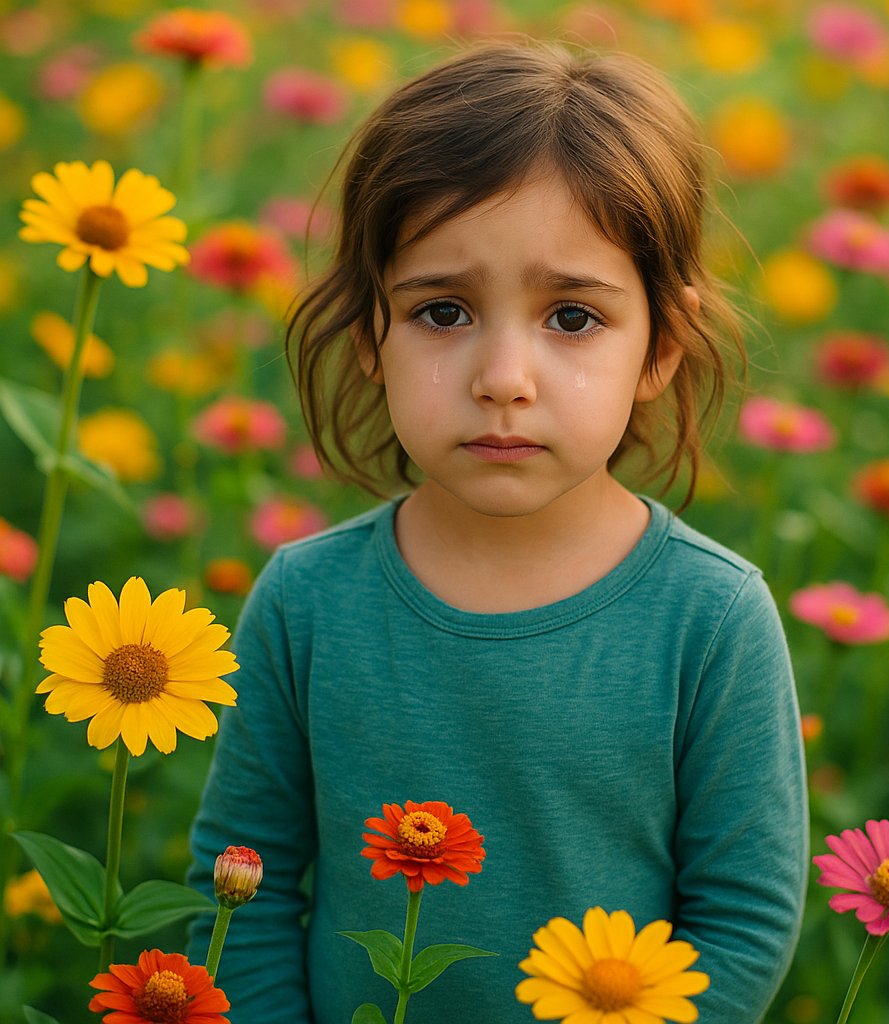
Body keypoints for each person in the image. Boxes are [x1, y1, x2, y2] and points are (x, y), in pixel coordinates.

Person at [188, 41, 807, 1024]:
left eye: (570, 315)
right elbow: (238, 889)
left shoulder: (712, 617)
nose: (503, 375)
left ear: (662, 346)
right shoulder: (306, 600)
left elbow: (741, 918)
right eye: (442, 310)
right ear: (368, 340)